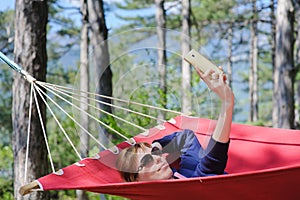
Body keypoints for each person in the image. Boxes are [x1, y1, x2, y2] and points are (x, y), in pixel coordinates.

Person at [116, 67, 234, 182]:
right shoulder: (186, 189)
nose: (158, 158)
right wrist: (226, 102)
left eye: (155, 153)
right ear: (134, 179)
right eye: (146, 160)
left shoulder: (187, 170)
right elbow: (209, 168)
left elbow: (187, 137)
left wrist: (158, 145)